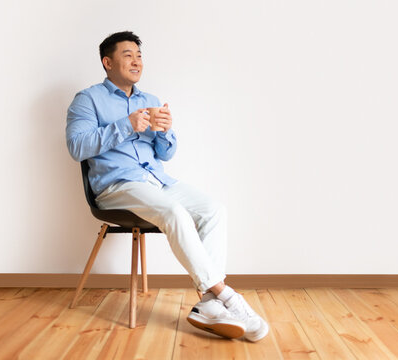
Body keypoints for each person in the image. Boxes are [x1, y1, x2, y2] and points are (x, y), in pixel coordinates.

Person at [66, 31, 268, 342]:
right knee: (174, 212)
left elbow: (166, 154)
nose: (136, 61)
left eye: (139, 55)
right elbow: (77, 147)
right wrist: (126, 125)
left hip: (157, 181)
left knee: (213, 210)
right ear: (108, 62)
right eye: (127, 55)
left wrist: (165, 132)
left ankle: (208, 304)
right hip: (115, 186)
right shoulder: (87, 100)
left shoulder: (151, 100)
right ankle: (226, 296)